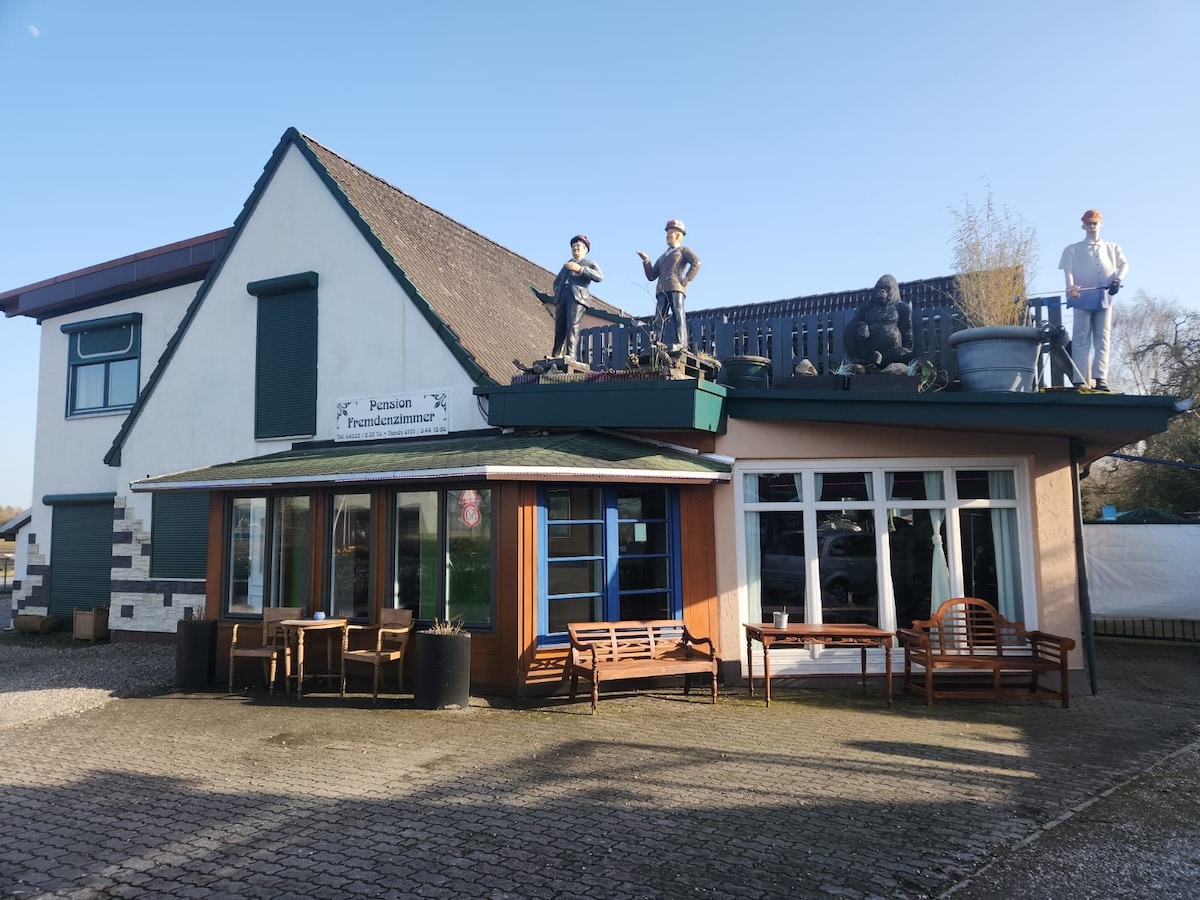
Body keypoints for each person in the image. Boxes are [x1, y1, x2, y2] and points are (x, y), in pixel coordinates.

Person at [1059, 209, 1130, 391]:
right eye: (1089, 223)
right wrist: (1070, 287)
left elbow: (1124, 264)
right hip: (1081, 299)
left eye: (1095, 223)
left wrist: (1117, 280)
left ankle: (1101, 378)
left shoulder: (1112, 247)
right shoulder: (1072, 249)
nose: (1092, 226)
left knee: (1103, 338)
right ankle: (1080, 378)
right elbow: (1068, 271)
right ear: (1083, 225)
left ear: (1100, 224)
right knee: (1081, 339)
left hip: (1104, 299)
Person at [637, 219, 701, 351]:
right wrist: (646, 260)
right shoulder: (663, 256)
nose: (667, 235)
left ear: (678, 235)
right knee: (659, 317)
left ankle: (681, 342)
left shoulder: (683, 250)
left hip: (676, 287)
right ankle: (656, 343)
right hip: (662, 289)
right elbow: (651, 275)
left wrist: (687, 279)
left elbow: (697, 262)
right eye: (668, 232)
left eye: (670, 232)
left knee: (678, 313)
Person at [551, 234, 603, 360]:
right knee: (560, 326)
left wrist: (581, 269)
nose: (575, 248)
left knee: (573, 325)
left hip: (577, 297)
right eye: (573, 246)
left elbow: (599, 276)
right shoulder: (567, 265)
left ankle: (571, 354)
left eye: (578, 246)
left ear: (585, 249)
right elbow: (557, 281)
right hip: (563, 296)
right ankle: (556, 353)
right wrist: (558, 292)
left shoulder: (589, 263)